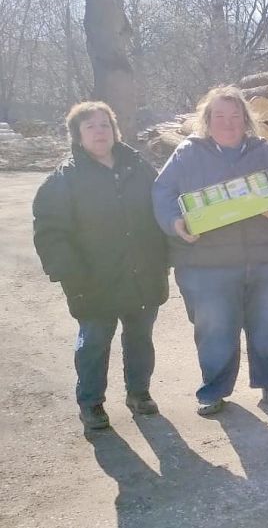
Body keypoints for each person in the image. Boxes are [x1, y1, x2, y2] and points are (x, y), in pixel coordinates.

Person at [152, 86, 268, 416]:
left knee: (267, 324)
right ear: (206, 120)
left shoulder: (265, 151)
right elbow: (162, 194)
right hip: (209, 263)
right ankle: (214, 390)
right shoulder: (187, 154)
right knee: (215, 330)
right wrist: (176, 224)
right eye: (219, 116)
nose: (228, 123)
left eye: (235, 116)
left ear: (246, 120)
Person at [33, 101, 169, 431]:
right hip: (93, 280)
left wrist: (166, 258)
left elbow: (162, 210)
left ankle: (139, 393)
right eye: (90, 126)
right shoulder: (64, 179)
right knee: (94, 343)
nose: (99, 131)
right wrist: (70, 274)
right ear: (77, 135)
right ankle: (91, 402)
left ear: (115, 130)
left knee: (140, 338)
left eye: (105, 124)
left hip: (142, 273)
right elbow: (50, 231)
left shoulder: (139, 168)